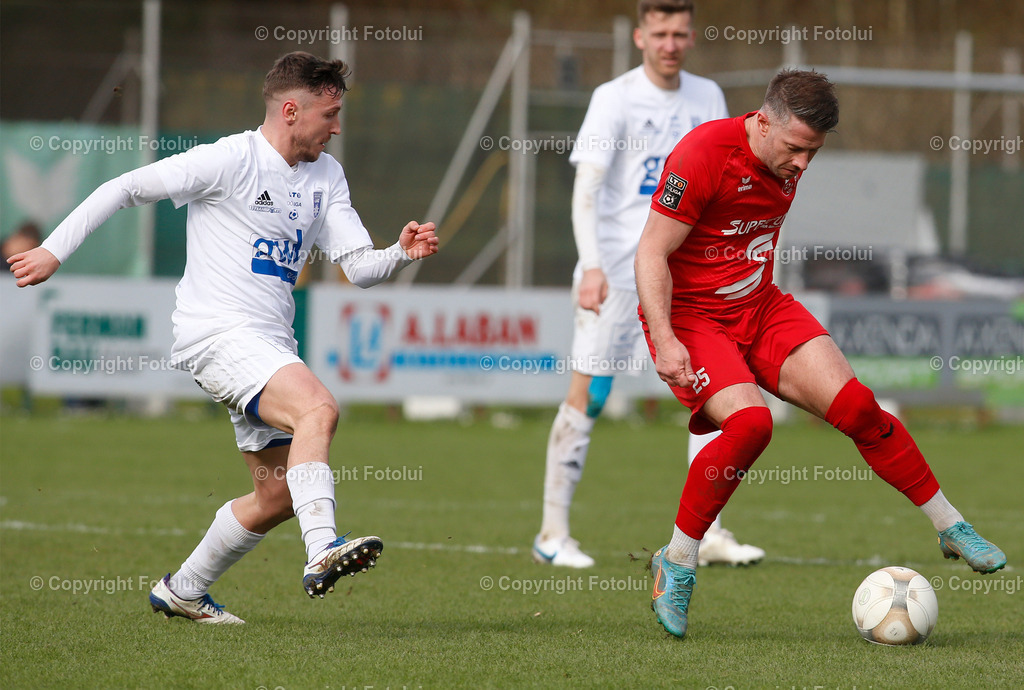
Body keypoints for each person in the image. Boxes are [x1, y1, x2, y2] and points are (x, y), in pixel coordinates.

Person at [7, 52, 439, 624]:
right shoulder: (228, 160)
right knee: (318, 409)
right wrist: (52, 249)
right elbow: (124, 187)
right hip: (216, 335)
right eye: (330, 114)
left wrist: (399, 255)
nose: (337, 127)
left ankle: (183, 589)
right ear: (291, 110)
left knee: (276, 498)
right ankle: (322, 550)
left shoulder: (326, 174)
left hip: (268, 344)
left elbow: (357, 265)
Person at [635, 68, 1007, 638]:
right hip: (693, 318)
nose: (803, 165)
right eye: (795, 149)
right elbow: (651, 253)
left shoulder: (785, 156)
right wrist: (664, 340)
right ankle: (678, 562)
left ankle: (950, 526)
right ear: (761, 123)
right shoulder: (704, 154)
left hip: (760, 306)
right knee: (752, 425)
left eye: (814, 153)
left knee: (858, 406)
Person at [534, 0, 763, 569]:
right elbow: (586, 190)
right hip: (615, 270)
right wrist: (590, 265)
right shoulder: (613, 98)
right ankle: (551, 533)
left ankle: (705, 533)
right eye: (659, 33)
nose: (670, 44)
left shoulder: (707, 96)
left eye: (680, 33)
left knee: (712, 397)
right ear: (640, 36)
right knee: (591, 396)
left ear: (690, 37)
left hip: (687, 275)